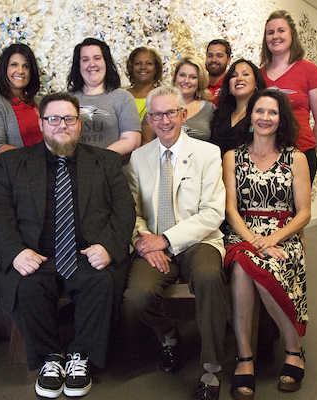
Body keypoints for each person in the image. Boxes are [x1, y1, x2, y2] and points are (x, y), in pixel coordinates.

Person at [0, 93, 135, 398]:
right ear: (41, 124)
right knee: (26, 286)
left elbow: (125, 209)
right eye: (53, 118)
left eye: (69, 119)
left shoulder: (105, 161)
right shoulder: (15, 162)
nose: (61, 125)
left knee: (102, 281)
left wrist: (108, 246)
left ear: (79, 124)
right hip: (35, 255)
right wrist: (15, 253)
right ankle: (51, 358)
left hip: (86, 254)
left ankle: (81, 357)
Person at [124, 85, 229, 400]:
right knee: (136, 297)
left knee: (210, 277)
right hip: (154, 245)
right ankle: (168, 335)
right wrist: (143, 241)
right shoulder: (138, 158)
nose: (164, 120)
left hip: (199, 240)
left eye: (171, 112)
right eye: (156, 114)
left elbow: (213, 213)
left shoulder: (208, 153)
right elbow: (132, 212)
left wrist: (166, 239)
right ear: (150, 120)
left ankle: (211, 370)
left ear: (183, 114)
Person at [222, 89, 311, 399]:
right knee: (242, 268)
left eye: (272, 112)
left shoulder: (295, 158)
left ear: (280, 119)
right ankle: (245, 357)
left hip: (283, 234)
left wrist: (272, 238)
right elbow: (231, 209)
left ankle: (294, 348)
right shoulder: (232, 157)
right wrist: (254, 241)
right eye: (259, 111)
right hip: (244, 232)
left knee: (268, 265)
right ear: (251, 117)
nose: (265, 117)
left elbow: (305, 214)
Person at [260, 9, 317, 183]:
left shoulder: (308, 69)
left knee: (298, 210)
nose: (275, 36)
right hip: (265, 155)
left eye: (281, 30)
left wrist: (308, 152)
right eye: (270, 32)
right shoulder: (258, 74)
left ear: (292, 35)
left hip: (301, 153)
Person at [67, 38, 141, 159]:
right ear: (78, 65)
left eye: (97, 58)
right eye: (85, 60)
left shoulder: (123, 97)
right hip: (74, 171)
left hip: (111, 171)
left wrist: (97, 160)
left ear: (106, 62)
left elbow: (132, 140)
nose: (92, 64)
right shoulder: (66, 99)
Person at [0, 43, 42, 181]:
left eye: (25, 66)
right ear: (4, 69)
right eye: (14, 65)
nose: (20, 71)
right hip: (11, 180)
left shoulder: (39, 103)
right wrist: (38, 156)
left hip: (39, 176)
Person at [211, 59, 267, 156]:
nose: (239, 78)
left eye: (245, 74)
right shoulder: (219, 115)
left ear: (256, 83)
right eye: (234, 75)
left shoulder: (263, 117)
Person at [172, 56, 216, 141]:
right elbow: (148, 142)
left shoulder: (210, 109)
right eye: (182, 75)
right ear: (175, 77)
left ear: (200, 81)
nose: (186, 81)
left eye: (193, 77)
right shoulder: (160, 105)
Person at [126, 47, 163, 145]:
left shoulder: (162, 97)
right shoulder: (122, 96)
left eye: (149, 63)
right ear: (131, 68)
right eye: (138, 63)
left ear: (156, 69)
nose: (143, 67)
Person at [206, 39, 232, 104]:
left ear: (228, 60)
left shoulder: (231, 86)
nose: (214, 60)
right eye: (210, 56)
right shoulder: (197, 85)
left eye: (219, 56)